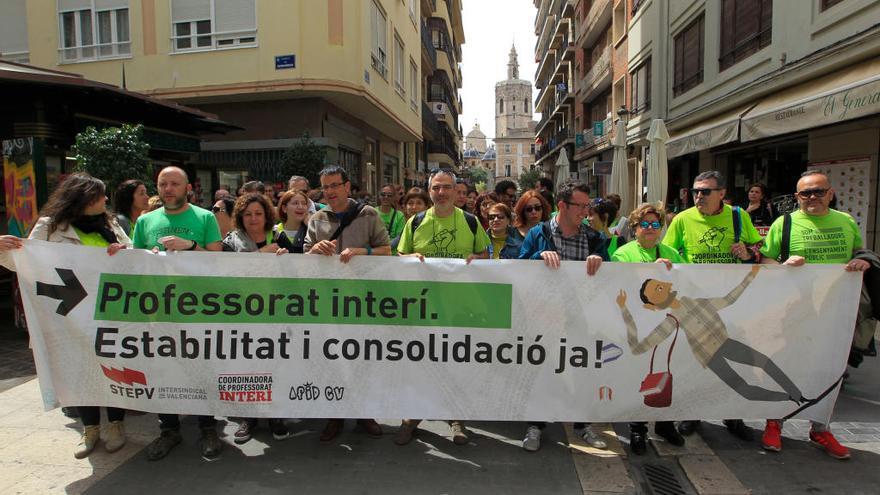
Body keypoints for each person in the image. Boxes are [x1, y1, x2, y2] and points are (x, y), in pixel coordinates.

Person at [0, 174, 130, 459]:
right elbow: (27, 262)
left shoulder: (111, 224)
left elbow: (132, 256)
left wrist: (122, 252)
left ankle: (117, 425)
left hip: (110, 311)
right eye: (100, 196)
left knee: (113, 366)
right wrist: (4, 249)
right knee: (80, 369)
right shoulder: (49, 227)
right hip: (69, 312)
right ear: (83, 198)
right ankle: (91, 428)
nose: (106, 200)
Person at [758, 171, 869, 460]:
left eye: (818, 191)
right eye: (805, 193)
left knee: (830, 370)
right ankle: (774, 423)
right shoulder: (784, 224)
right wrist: (783, 265)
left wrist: (861, 260)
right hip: (792, 312)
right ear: (796, 197)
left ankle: (820, 428)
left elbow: (860, 252)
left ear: (830, 193)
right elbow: (766, 259)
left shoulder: (845, 222)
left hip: (834, 312)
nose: (812, 198)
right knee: (784, 366)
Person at [662, 170, 763, 441]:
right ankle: (691, 414)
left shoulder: (738, 216)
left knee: (735, 361)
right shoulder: (682, 219)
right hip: (695, 304)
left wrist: (747, 252)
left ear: (721, 193)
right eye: (695, 191)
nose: (698, 196)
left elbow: (757, 249)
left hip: (731, 303)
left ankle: (732, 415)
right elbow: (667, 254)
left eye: (705, 191)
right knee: (695, 362)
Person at [131, 166, 224, 461]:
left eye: (174, 184)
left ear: (187, 188)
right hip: (158, 311)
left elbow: (219, 262)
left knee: (201, 369)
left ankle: (208, 426)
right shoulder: (145, 222)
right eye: (163, 184)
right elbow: (134, 264)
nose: (168, 189)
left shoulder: (205, 217)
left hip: (198, 311)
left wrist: (191, 246)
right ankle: (168, 430)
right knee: (162, 370)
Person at [395, 169, 490, 446]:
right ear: (430, 191)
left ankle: (456, 417)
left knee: (455, 363)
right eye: (436, 188)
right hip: (423, 307)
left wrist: (478, 258)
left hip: (460, 308)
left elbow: (486, 256)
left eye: (447, 187)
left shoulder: (471, 222)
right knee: (420, 362)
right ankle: (412, 416)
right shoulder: (416, 222)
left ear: (455, 190)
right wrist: (409, 256)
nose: (442, 193)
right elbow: (400, 254)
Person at [519, 181, 607, 452]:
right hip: (544, 317)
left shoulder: (595, 238)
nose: (585, 211)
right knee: (541, 370)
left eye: (587, 206)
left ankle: (583, 425)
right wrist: (537, 256)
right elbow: (518, 269)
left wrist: (601, 261)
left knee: (582, 371)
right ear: (562, 206)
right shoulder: (539, 233)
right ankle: (536, 425)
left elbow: (613, 275)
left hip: (581, 318)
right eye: (580, 206)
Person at [304, 165, 390, 442]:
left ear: (347, 186)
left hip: (361, 301)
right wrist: (314, 249)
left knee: (362, 359)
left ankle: (364, 413)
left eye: (334, 185)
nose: (329, 192)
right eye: (324, 187)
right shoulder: (316, 219)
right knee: (331, 359)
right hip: (328, 301)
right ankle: (335, 415)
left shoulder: (368, 214)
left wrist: (361, 251)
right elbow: (304, 256)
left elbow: (386, 250)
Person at [611, 203, 686, 454]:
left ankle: (665, 424)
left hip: (667, 322)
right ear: (635, 228)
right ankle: (638, 427)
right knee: (640, 376)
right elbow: (622, 283)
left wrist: (672, 270)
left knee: (668, 370)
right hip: (639, 323)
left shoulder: (671, 253)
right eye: (645, 224)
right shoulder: (624, 253)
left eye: (656, 225)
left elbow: (685, 283)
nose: (651, 229)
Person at [219, 194, 292, 443]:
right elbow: (228, 273)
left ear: (266, 216)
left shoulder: (279, 237)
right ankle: (247, 417)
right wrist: (262, 255)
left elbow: (297, 271)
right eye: (248, 214)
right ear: (240, 216)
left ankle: (275, 415)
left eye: (258, 213)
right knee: (246, 365)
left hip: (275, 311)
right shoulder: (231, 241)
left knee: (275, 363)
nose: (253, 218)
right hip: (242, 313)